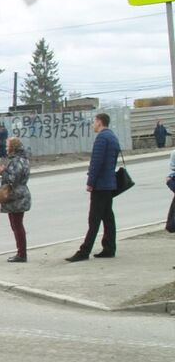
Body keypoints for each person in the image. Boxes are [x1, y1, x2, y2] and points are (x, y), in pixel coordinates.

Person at [66, 112, 121, 262]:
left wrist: (90, 182)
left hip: (101, 185)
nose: (93, 125)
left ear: (100, 122)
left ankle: (84, 251)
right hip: (109, 183)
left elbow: (96, 162)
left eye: (94, 122)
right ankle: (109, 248)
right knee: (108, 217)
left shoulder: (102, 138)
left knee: (94, 218)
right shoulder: (113, 137)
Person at [0, 137, 31, 262]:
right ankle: (20, 252)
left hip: (17, 196)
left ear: (13, 147)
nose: (6, 147)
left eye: (7, 145)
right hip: (19, 195)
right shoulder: (23, 159)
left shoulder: (16, 161)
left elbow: (13, 179)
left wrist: (2, 172)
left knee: (17, 225)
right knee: (15, 224)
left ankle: (21, 254)